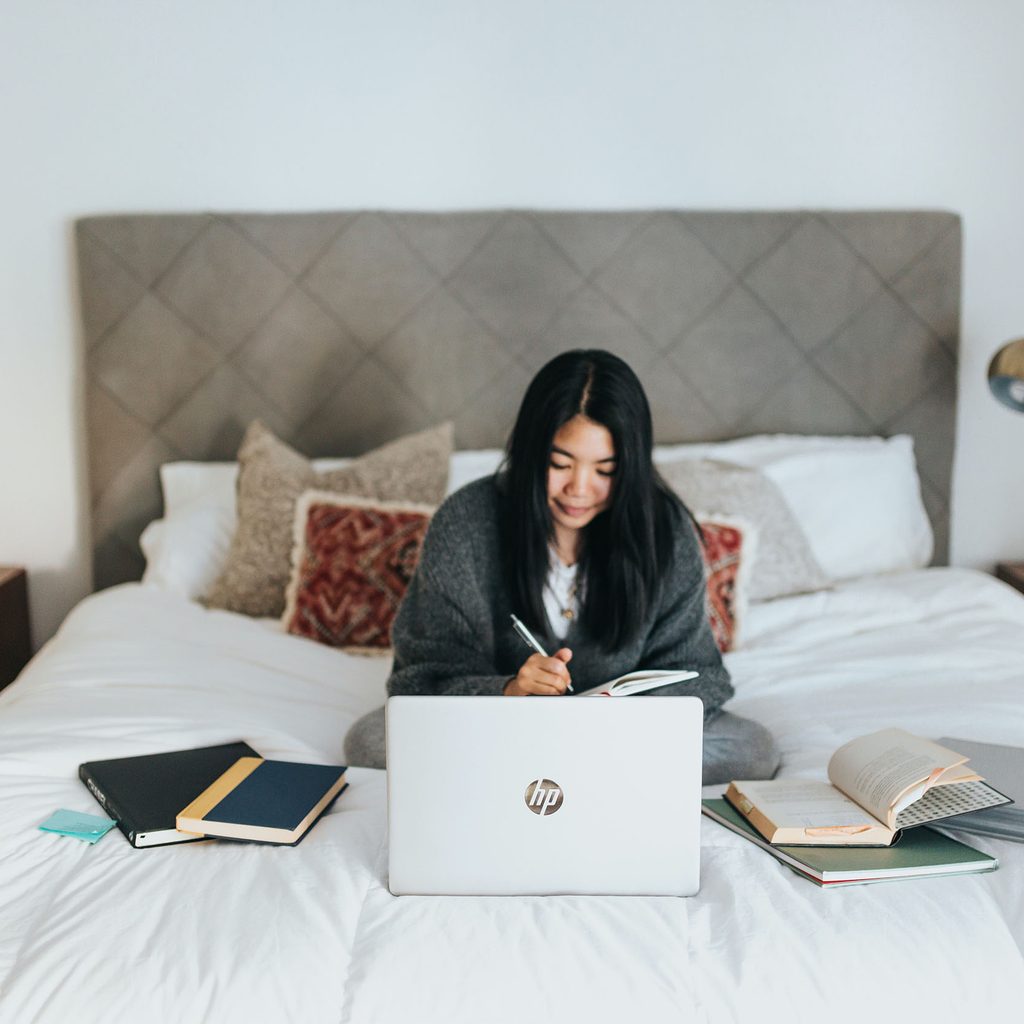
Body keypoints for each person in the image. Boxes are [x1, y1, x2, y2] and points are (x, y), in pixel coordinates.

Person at [344, 349, 779, 784]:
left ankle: (537, 777)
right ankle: (587, 778)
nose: (580, 489)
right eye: (559, 464)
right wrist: (508, 691)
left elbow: (700, 675)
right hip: (498, 726)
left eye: (606, 470)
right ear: (530, 452)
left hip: (618, 735)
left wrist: (615, 715)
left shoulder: (664, 532)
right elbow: (420, 680)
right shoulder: (466, 523)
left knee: (752, 749)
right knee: (370, 741)